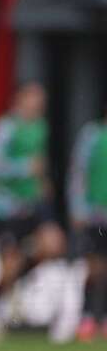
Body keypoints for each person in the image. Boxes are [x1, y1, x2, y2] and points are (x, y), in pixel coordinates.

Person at [0, 82, 65, 340]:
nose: (39, 104)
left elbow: (38, 162)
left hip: (33, 203)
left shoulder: (40, 127)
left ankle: (12, 283)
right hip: (5, 206)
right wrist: (24, 168)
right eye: (34, 98)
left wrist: (42, 182)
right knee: (10, 263)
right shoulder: (6, 127)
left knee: (54, 245)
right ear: (20, 99)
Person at [68, 105, 107, 342]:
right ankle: (86, 317)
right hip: (95, 213)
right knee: (93, 268)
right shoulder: (92, 135)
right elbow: (78, 172)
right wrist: (77, 207)